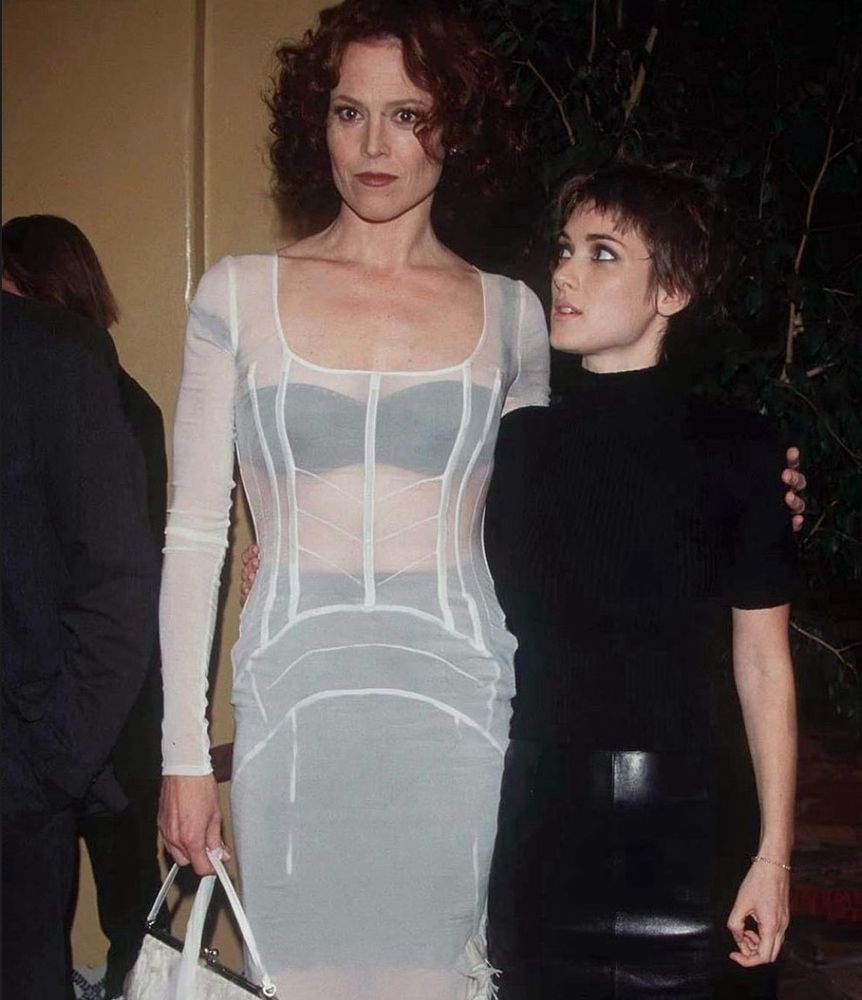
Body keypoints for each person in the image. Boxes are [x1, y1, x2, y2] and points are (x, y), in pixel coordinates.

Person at [156, 3, 545, 998]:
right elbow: (196, 533)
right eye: (348, 111)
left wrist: (748, 489)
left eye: (408, 115)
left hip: (460, 703)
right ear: (314, 122)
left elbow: (561, 515)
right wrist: (185, 756)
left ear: (453, 128)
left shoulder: (515, 314)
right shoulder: (236, 294)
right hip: (294, 702)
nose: (375, 145)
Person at [482, 162, 798, 998]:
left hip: (695, 833)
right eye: (562, 249)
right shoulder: (511, 446)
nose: (563, 273)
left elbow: (763, 664)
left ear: (675, 290)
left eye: (602, 253)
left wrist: (774, 856)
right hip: (541, 827)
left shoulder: (742, 449)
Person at [2, 213, 169, 999]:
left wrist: (51, 755)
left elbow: (126, 572)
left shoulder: (95, 387)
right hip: (91, 702)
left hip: (103, 699)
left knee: (129, 905)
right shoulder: (104, 384)